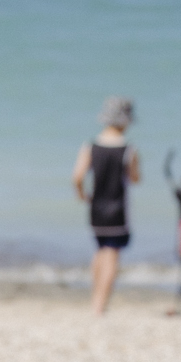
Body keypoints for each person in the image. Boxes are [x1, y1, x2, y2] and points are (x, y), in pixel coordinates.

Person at [73, 97, 140, 316]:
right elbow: (135, 178)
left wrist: (83, 196)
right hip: (117, 208)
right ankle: (101, 306)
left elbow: (77, 177)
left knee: (100, 250)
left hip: (96, 206)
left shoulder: (90, 146)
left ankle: (95, 300)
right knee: (112, 254)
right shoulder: (128, 149)